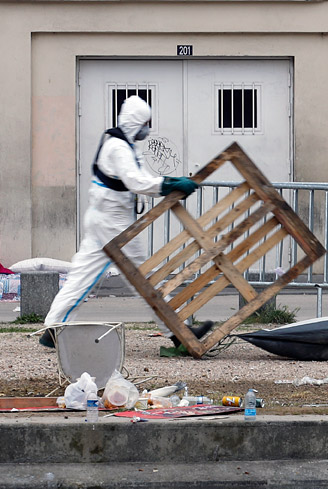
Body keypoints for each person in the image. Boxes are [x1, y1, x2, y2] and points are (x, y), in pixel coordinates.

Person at [42, 95, 209, 348]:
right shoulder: (118, 148)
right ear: (136, 122)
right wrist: (169, 184)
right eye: (146, 123)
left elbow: (138, 177)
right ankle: (179, 333)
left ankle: (52, 329)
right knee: (145, 280)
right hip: (113, 225)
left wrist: (166, 181)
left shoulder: (120, 143)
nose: (147, 129)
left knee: (82, 277)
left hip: (103, 220)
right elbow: (136, 182)